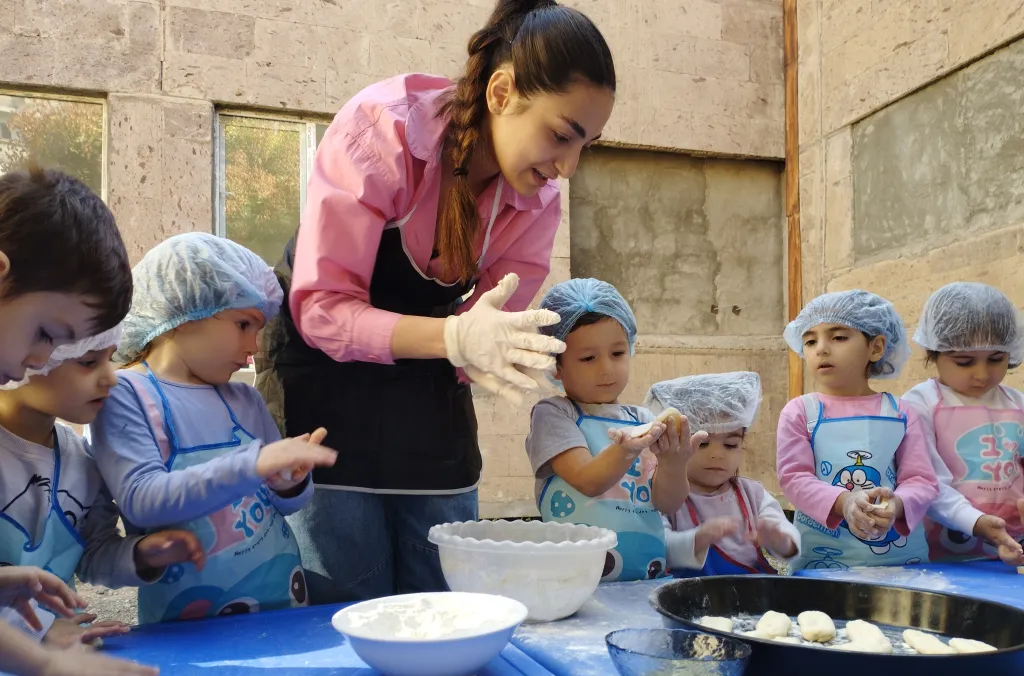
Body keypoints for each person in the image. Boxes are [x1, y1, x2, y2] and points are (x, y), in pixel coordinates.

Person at [255, 0, 617, 602]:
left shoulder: (536, 200)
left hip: (426, 388)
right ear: (502, 92)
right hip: (321, 373)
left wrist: (482, 350)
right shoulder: (382, 131)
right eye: (560, 135)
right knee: (351, 590)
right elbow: (321, 308)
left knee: (445, 588)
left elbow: (490, 325)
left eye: (587, 145)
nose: (568, 167)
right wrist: (452, 337)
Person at [88, 234, 336, 624]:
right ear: (186, 312)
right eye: (243, 324)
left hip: (284, 609)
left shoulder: (245, 400)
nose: (254, 345)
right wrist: (253, 464)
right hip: (190, 629)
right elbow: (142, 498)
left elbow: (286, 506)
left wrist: (289, 482)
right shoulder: (127, 395)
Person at [0, 166, 155, 675]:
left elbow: (94, 550)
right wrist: (41, 658)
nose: (36, 358)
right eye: (45, 333)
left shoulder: (77, 460)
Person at [0, 325, 204, 646]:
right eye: (88, 362)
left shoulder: (81, 460)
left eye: (110, 359)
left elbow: (91, 555)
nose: (111, 377)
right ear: (18, 356)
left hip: (57, 655)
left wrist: (143, 555)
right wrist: (38, 631)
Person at [525, 279, 702, 581]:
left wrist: (674, 464)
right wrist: (626, 450)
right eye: (588, 358)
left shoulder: (643, 418)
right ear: (555, 365)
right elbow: (588, 480)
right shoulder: (555, 414)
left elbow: (667, 503)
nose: (606, 368)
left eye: (617, 353)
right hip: (576, 582)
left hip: (647, 579)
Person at [777, 290, 939, 571]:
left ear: (875, 348)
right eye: (810, 340)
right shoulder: (800, 411)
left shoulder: (901, 412)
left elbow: (921, 479)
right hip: (822, 563)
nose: (821, 349)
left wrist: (896, 505)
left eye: (838, 337)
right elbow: (794, 478)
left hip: (899, 563)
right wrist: (844, 502)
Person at [904, 282, 1024, 566]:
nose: (982, 374)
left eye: (996, 359)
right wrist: (976, 521)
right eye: (964, 361)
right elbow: (925, 481)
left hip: (1012, 548)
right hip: (943, 555)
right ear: (934, 353)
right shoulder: (920, 403)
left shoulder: (1018, 404)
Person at [647, 372, 800, 575]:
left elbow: (788, 540)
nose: (717, 455)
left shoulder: (751, 494)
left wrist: (780, 540)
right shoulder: (664, 495)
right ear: (675, 441)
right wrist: (699, 538)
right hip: (686, 598)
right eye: (702, 443)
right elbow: (659, 547)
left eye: (730, 445)